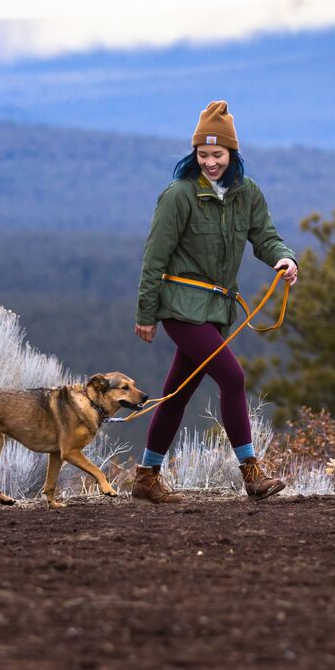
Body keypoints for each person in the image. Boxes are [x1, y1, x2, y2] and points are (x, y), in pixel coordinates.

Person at [132, 101, 299, 503]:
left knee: (177, 393)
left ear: (232, 154)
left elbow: (265, 235)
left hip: (216, 310)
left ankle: (145, 476)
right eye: (202, 155)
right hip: (180, 308)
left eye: (217, 155)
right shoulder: (179, 195)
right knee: (233, 378)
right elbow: (154, 258)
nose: (209, 162)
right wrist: (147, 314)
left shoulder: (247, 193)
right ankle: (252, 474)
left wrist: (284, 256)